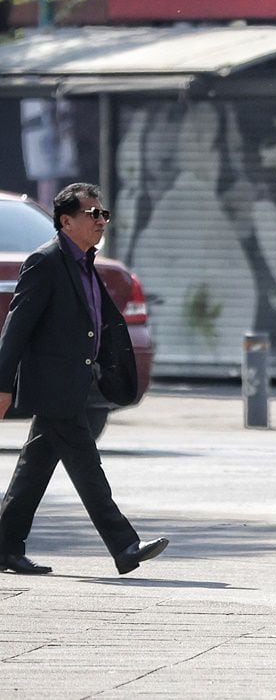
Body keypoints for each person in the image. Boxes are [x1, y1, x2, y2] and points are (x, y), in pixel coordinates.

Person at [0, 183, 168, 576]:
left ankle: (6, 545)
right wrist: (2, 385)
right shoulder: (45, 263)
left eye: (102, 213)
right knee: (86, 464)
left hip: (74, 381)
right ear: (66, 221)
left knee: (34, 468)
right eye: (92, 213)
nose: (101, 220)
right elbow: (16, 329)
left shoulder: (86, 264)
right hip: (52, 385)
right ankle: (124, 545)